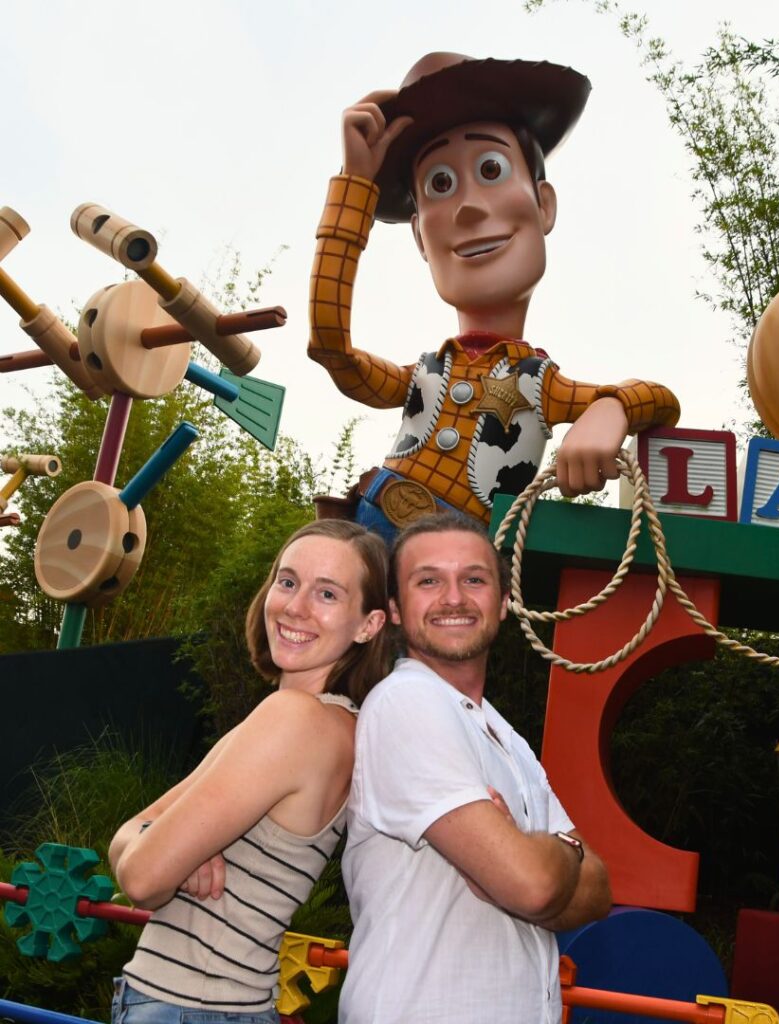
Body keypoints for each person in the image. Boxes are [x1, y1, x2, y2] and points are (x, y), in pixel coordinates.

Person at [308, 52, 680, 540]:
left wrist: (611, 408)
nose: (466, 208)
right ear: (420, 237)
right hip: (370, 530)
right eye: (440, 183)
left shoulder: (539, 384)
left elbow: (662, 401)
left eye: (491, 169)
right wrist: (354, 185)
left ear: (543, 204)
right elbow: (333, 349)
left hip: (463, 560)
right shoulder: (425, 373)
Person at [108, 520, 389, 1022]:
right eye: (287, 581)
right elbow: (128, 836)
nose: (295, 606)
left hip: (186, 1008)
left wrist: (162, 847)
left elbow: (142, 877)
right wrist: (171, 843)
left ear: (368, 625)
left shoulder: (293, 720)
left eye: (327, 593)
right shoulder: (338, 724)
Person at [340, 511, 612, 1023]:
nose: (453, 598)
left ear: (504, 602)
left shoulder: (504, 735)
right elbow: (533, 885)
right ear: (395, 610)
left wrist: (546, 860)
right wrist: (551, 859)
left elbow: (598, 893)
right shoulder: (407, 702)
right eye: (428, 581)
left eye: (474, 579)